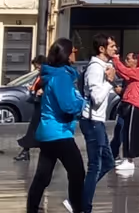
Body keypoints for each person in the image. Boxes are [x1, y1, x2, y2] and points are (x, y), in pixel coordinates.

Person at [27, 38, 86, 213]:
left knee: (43, 176)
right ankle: (78, 208)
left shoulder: (52, 74)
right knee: (77, 172)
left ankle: (31, 209)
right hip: (60, 133)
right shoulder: (61, 76)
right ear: (66, 54)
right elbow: (67, 106)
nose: (76, 52)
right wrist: (82, 104)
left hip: (47, 133)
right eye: (73, 50)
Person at [81, 34, 118, 213]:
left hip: (97, 121)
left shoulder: (104, 67)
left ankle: (80, 197)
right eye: (111, 46)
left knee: (108, 162)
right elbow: (96, 98)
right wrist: (109, 82)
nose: (115, 48)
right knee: (95, 165)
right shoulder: (95, 68)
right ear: (101, 49)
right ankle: (82, 204)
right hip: (91, 121)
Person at [14, 55, 45, 162]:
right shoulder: (41, 75)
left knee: (36, 129)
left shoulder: (47, 75)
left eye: (38, 66)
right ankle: (25, 151)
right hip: (38, 105)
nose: (37, 68)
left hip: (43, 106)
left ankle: (25, 152)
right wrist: (33, 89)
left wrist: (41, 91)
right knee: (34, 129)